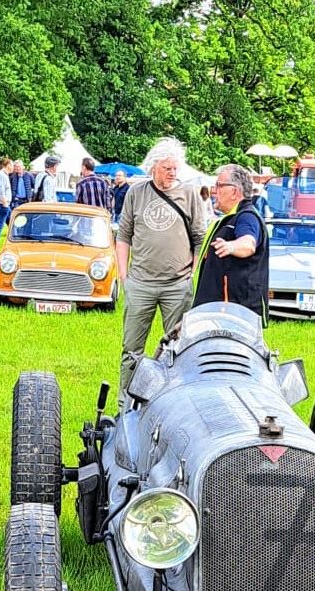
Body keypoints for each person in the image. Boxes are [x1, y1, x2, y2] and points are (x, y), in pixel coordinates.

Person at [116, 137, 205, 403]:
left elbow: (200, 238)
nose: (172, 173)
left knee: (178, 348)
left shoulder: (189, 193)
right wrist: (124, 277)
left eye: (176, 168)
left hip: (176, 284)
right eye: (167, 168)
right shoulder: (136, 193)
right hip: (140, 282)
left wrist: (192, 271)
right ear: (154, 166)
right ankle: (126, 403)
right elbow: (123, 236)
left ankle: (174, 402)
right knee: (132, 349)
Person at [193, 164, 268, 322]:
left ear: (234, 191)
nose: (214, 190)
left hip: (232, 312)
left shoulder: (247, 217)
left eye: (219, 185)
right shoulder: (230, 218)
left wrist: (231, 246)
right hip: (217, 309)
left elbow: (248, 243)